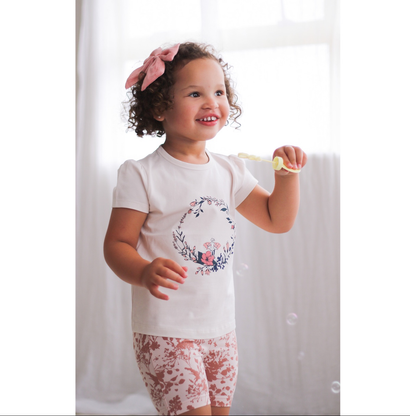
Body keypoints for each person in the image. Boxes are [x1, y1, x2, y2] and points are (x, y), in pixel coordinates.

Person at [103, 42, 307, 416]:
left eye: (219, 92)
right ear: (160, 107)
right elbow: (116, 245)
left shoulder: (229, 170)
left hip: (220, 330)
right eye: (195, 93)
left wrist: (286, 179)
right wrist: (144, 271)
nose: (212, 102)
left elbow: (277, 220)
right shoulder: (141, 173)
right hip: (165, 330)